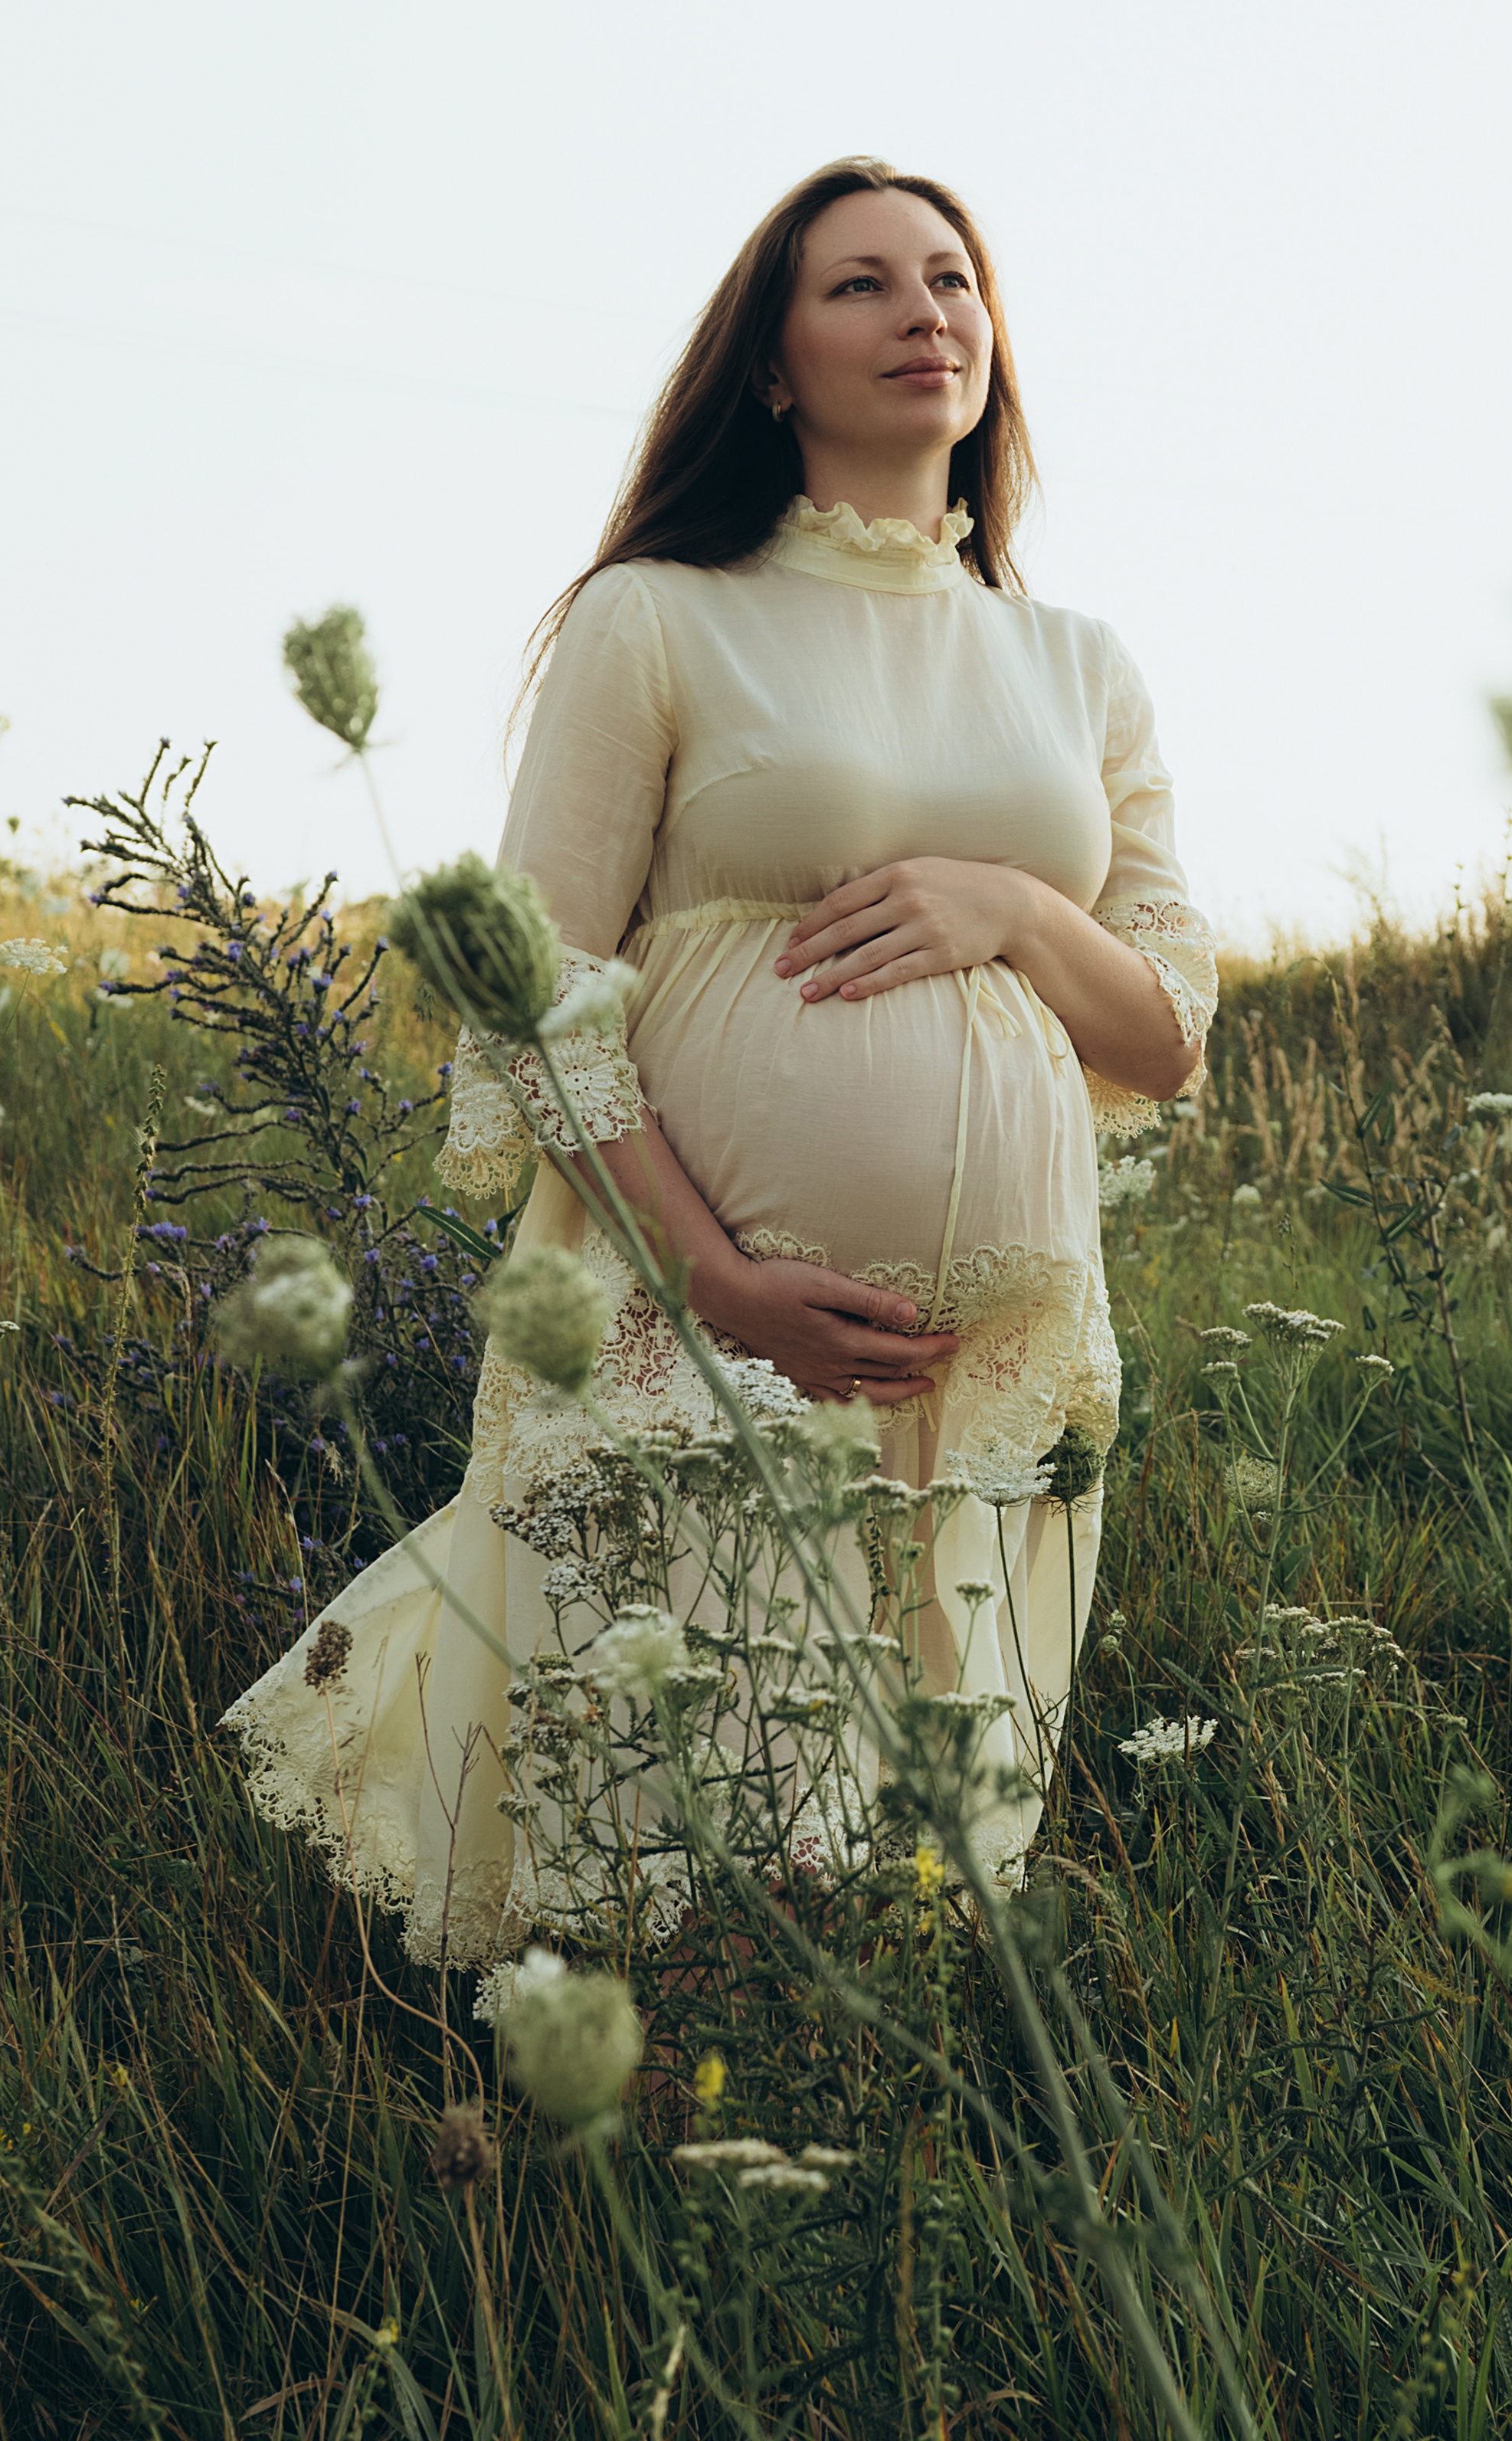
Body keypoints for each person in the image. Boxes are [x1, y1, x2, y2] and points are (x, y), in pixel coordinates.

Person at [223, 158, 1217, 1977]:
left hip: (983, 1371)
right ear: (769, 367)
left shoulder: (1076, 663)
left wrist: (1007, 901)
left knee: (906, 1881)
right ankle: (614, 2205)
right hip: (707, 1329)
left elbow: (1161, 1028)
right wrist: (715, 1285)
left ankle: (863, 2198)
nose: (926, 313)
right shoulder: (661, 615)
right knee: (698, 1838)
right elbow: (528, 991)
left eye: (950, 279)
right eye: (859, 286)